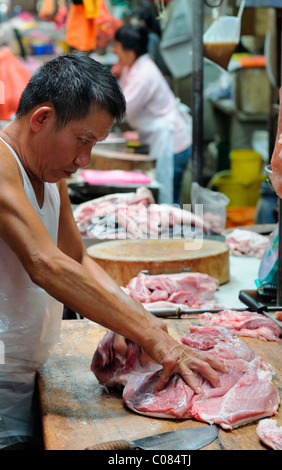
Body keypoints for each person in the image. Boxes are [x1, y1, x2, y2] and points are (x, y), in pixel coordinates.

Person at [0, 53, 225, 450]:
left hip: (24, 378)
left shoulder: (48, 174)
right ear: (41, 119)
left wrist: (135, 318)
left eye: (94, 145)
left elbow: (76, 257)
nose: (83, 161)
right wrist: (154, 340)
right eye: (82, 141)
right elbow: (45, 263)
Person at [113, 24, 192, 205]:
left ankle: (172, 232)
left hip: (172, 144)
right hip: (160, 139)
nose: (115, 50)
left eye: (117, 46)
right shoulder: (132, 67)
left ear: (130, 51)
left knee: (167, 201)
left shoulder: (144, 74)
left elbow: (120, 108)